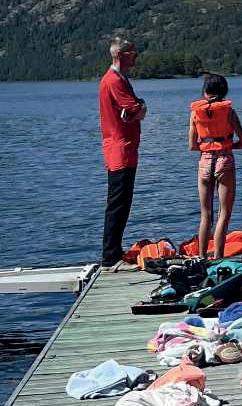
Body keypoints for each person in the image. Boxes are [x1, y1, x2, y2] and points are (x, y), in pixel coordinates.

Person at [188, 73, 242, 259]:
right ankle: (218, 256)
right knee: (224, 213)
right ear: (224, 91)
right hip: (225, 160)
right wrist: (228, 146)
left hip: (205, 162)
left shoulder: (195, 112)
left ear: (205, 91)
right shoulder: (229, 112)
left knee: (205, 214)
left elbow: (192, 145)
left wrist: (208, 146)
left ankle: (201, 257)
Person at [99, 37, 147, 267]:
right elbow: (136, 108)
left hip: (124, 149)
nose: (136, 55)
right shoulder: (114, 81)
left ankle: (114, 251)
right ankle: (110, 255)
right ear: (120, 55)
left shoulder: (120, 79)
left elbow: (135, 110)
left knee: (122, 203)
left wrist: (137, 109)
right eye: (132, 52)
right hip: (120, 150)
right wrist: (140, 108)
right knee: (118, 204)